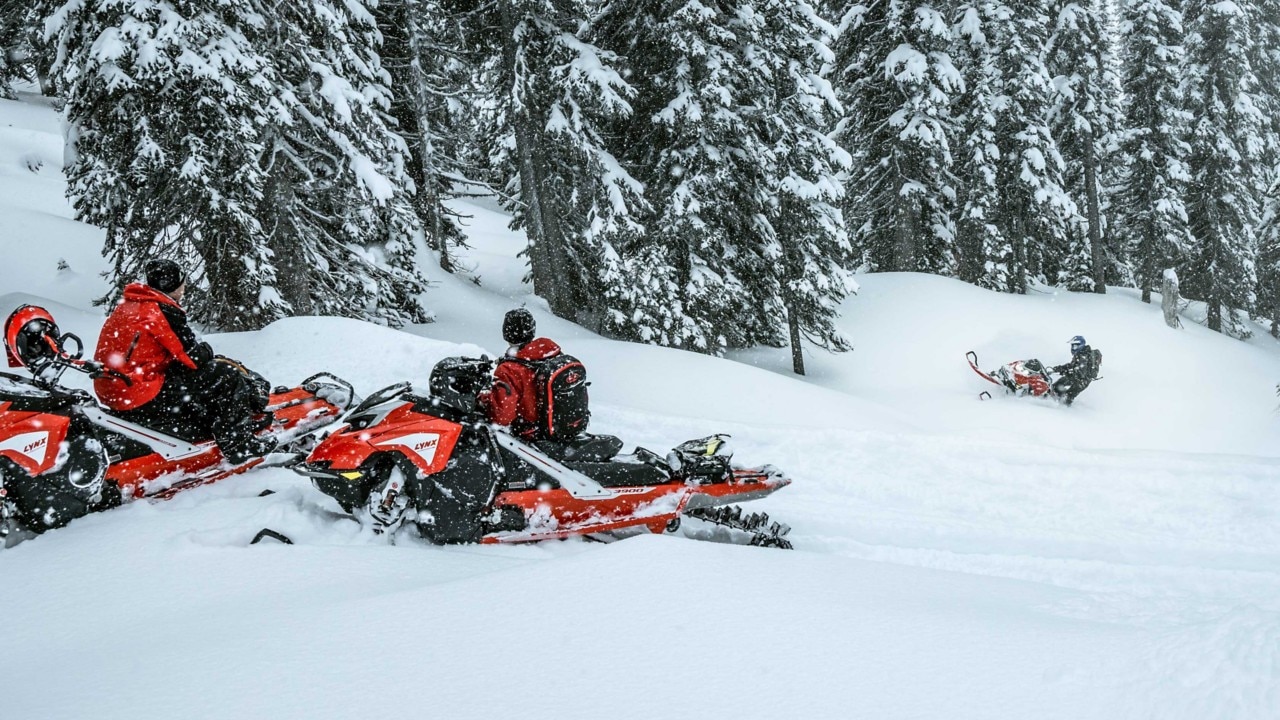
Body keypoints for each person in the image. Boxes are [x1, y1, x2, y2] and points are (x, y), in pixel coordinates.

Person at [92, 259, 276, 463]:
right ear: (173, 284)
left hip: (112, 390)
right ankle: (238, 444)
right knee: (225, 375)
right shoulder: (160, 310)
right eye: (182, 283)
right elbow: (193, 358)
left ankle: (202, 424)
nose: (184, 288)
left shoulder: (130, 305)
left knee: (187, 376)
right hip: (138, 392)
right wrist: (207, 351)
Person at [480, 308, 592, 445]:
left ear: (506, 333)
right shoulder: (549, 353)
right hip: (558, 426)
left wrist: (483, 400)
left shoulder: (509, 368)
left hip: (532, 434)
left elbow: (502, 416)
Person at [1050, 335, 1100, 406]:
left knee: (1067, 397)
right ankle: (1053, 399)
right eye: (1072, 346)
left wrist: (1064, 371)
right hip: (1075, 378)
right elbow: (1071, 366)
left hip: (1081, 381)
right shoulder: (1080, 354)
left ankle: (1064, 412)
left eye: (1075, 346)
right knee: (1056, 387)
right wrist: (1057, 368)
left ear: (1081, 345)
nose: (1073, 348)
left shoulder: (1083, 356)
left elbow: (1080, 373)